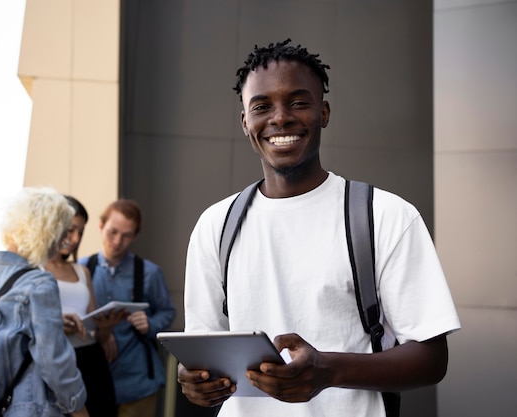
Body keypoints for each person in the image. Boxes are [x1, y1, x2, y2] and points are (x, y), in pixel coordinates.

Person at [177, 39, 461, 417]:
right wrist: (193, 378)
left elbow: (431, 358)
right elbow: (202, 347)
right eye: (262, 106)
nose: (280, 118)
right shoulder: (216, 225)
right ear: (245, 122)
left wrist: (328, 370)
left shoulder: (386, 216)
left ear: (323, 112)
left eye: (298, 102)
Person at [0, 187, 89, 417]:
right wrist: (78, 406)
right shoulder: (39, 282)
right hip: (30, 407)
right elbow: (54, 361)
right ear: (47, 232)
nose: (63, 242)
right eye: (62, 233)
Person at [79, 199, 176, 417]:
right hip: (92, 380)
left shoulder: (150, 273)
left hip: (137, 381)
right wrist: (100, 332)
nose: (117, 241)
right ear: (101, 226)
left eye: (126, 235)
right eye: (113, 232)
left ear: (135, 236)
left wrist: (150, 324)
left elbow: (168, 312)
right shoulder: (81, 268)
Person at [46, 195, 124, 417]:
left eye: (80, 232)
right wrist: (56, 324)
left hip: (92, 359)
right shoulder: (34, 271)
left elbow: (96, 331)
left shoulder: (82, 271)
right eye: (70, 230)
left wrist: (107, 328)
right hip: (60, 361)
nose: (74, 238)